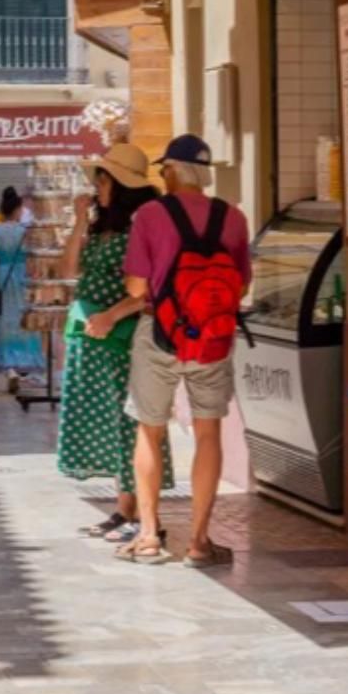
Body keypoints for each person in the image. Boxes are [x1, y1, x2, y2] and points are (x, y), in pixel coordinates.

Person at [116, 135, 251, 568]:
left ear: (173, 169)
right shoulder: (233, 217)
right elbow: (242, 284)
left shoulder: (150, 215)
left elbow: (137, 286)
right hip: (212, 337)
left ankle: (150, 536)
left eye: (164, 169)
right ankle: (198, 541)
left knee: (149, 429)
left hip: (160, 332)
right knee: (208, 433)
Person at [54, 143, 171, 543]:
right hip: (91, 335)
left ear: (119, 184)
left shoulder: (141, 227)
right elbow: (68, 269)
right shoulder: (100, 229)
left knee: (128, 422)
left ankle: (138, 512)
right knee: (106, 419)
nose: (96, 186)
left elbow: (146, 288)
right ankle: (123, 509)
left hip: (120, 336)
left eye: (101, 179)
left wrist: (110, 316)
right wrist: (78, 222)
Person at [0, 203, 37, 387]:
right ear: (17, 211)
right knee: (23, 322)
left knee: (3, 323)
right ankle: (23, 364)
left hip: (2, 279)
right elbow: (32, 259)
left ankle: (9, 369)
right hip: (23, 279)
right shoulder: (26, 232)